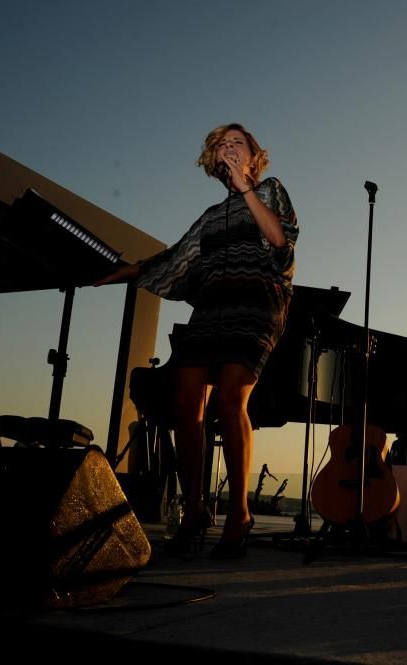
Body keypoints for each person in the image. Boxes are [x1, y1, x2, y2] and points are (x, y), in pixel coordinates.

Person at [96, 123, 298, 558]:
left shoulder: (271, 191)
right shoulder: (209, 218)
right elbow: (176, 257)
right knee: (185, 403)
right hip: (211, 309)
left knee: (230, 400)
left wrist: (247, 189)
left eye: (237, 143)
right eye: (222, 145)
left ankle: (239, 512)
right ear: (213, 160)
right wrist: (126, 271)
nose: (229, 148)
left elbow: (279, 241)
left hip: (256, 305)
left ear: (253, 156)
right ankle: (194, 510)